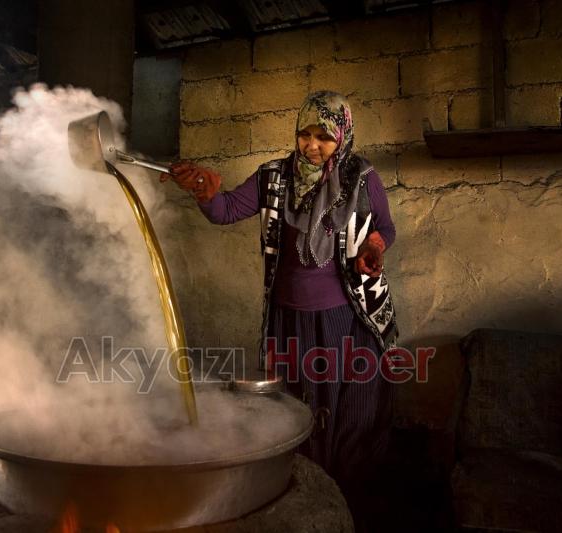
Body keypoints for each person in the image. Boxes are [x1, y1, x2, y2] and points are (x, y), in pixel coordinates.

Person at [161, 91, 399, 532]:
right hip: (290, 320)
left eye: (324, 137)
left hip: (347, 320)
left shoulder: (362, 178)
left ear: (342, 135)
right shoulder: (274, 176)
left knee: (353, 414)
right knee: (295, 411)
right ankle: (311, 506)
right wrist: (204, 192)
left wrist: (373, 246)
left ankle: (354, 507)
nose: (312, 146)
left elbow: (384, 226)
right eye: (304, 135)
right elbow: (227, 209)